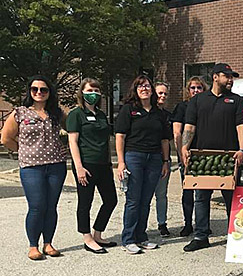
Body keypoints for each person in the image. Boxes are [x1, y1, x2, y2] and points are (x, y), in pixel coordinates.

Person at [181, 63, 243, 252]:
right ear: (215, 77)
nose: (231, 80)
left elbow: (241, 127)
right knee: (201, 197)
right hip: (203, 157)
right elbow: (190, 127)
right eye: (227, 76)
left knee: (232, 199)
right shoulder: (198, 100)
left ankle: (235, 235)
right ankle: (201, 236)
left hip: (228, 158)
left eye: (232, 76)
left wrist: (242, 150)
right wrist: (185, 148)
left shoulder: (236, 101)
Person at [1, 76, 67, 260]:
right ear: (30, 92)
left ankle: (48, 243)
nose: (39, 93)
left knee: (51, 206)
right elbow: (5, 138)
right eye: (35, 89)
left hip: (56, 165)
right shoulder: (20, 113)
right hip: (31, 168)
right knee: (37, 206)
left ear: (49, 92)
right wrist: (23, 152)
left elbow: (73, 128)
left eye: (43, 90)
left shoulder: (57, 113)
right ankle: (33, 245)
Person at [115, 75, 171, 254]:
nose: (144, 89)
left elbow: (164, 140)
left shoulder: (159, 113)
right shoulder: (128, 110)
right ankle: (128, 238)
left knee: (146, 200)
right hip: (134, 157)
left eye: (147, 86)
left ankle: (141, 236)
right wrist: (121, 162)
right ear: (135, 90)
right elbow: (120, 136)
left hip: (154, 159)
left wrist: (165, 161)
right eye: (140, 86)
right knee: (133, 200)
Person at [66, 78, 117, 254]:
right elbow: (72, 141)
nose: (93, 93)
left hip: (103, 164)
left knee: (111, 200)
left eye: (96, 90)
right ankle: (87, 238)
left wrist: (110, 162)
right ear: (82, 93)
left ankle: (97, 233)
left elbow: (105, 141)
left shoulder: (101, 115)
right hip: (86, 163)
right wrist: (79, 167)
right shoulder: (76, 114)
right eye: (89, 90)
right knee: (85, 202)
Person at [172, 76, 208, 237]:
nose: (195, 90)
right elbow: (177, 133)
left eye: (199, 88)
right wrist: (181, 155)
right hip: (187, 155)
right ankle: (188, 224)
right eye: (193, 88)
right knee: (188, 191)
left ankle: (203, 225)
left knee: (203, 193)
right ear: (188, 90)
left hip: (204, 155)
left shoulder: (206, 106)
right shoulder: (182, 107)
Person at [154, 82, 172, 237]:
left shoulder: (167, 115)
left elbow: (168, 138)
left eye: (165, 94)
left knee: (161, 194)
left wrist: (166, 160)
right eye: (160, 93)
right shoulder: (147, 113)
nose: (162, 96)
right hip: (147, 159)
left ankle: (162, 223)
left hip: (163, 159)